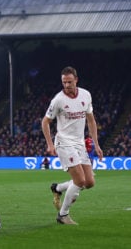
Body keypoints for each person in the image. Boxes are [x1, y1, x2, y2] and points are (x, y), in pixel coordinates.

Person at [42, 66, 103, 225]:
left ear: (76, 80)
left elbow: (91, 120)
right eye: (64, 82)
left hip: (79, 143)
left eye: (69, 82)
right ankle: (63, 215)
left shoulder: (86, 95)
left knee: (89, 182)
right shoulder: (58, 100)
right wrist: (50, 144)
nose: (67, 85)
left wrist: (96, 144)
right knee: (79, 180)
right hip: (64, 142)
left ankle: (58, 188)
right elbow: (45, 122)